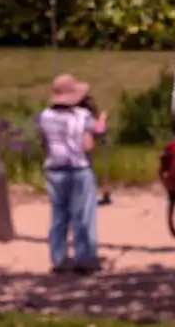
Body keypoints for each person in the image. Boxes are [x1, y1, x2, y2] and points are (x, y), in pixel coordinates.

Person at [36, 74, 106, 275]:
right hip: (78, 168)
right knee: (83, 214)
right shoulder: (82, 116)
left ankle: (58, 257)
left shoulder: (44, 116)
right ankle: (84, 258)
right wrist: (101, 121)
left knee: (59, 214)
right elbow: (89, 144)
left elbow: (44, 143)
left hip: (54, 169)